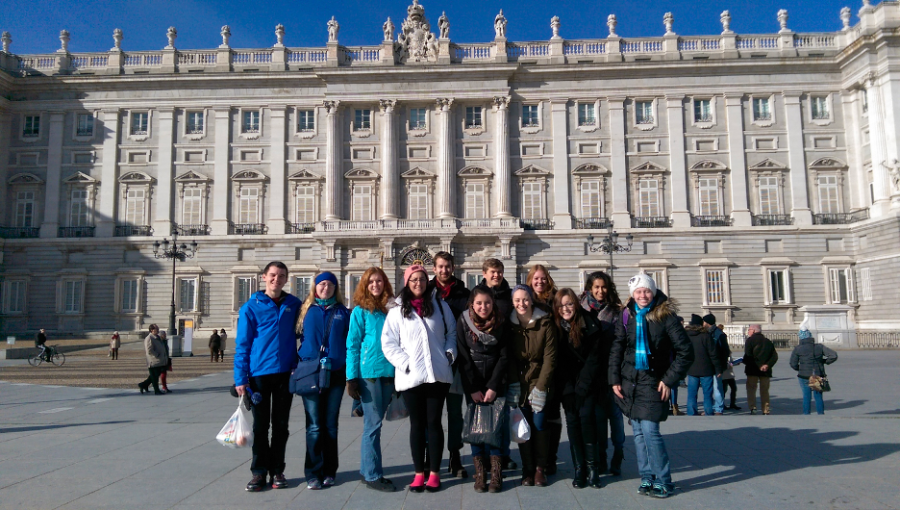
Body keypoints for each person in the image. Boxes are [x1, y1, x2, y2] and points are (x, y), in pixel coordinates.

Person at [610, 274, 693, 499]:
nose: (643, 295)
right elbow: (617, 347)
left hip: (654, 381)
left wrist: (669, 379)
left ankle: (663, 479)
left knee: (650, 431)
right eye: (638, 291)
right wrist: (614, 379)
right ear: (632, 294)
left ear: (653, 291)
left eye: (646, 291)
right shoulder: (627, 315)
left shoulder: (665, 316)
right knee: (637, 432)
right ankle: (647, 477)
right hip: (630, 382)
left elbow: (686, 351)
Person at [382, 264, 457, 493]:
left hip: (437, 375)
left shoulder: (440, 306)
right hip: (411, 377)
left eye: (422, 279)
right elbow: (388, 342)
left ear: (427, 282)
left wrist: (448, 355)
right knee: (416, 425)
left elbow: (451, 334)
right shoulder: (396, 310)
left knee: (434, 424)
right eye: (413, 279)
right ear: (407, 282)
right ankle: (418, 473)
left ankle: (434, 473)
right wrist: (405, 363)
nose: (418, 283)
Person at [234, 261, 302, 492]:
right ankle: (258, 472)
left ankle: (278, 470)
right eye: (273, 275)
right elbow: (242, 344)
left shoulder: (294, 304)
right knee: (261, 427)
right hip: (258, 375)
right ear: (264, 277)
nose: (277, 279)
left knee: (281, 426)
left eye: (281, 276)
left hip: (285, 374)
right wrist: (240, 378)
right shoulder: (250, 307)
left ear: (286, 279)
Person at [553, 288, 612, 489]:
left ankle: (593, 468)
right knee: (572, 424)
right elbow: (558, 362)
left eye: (569, 304)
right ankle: (580, 469)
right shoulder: (556, 327)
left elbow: (594, 359)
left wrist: (581, 388)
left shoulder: (590, 323)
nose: (566, 308)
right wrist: (569, 390)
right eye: (561, 305)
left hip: (588, 385)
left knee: (587, 422)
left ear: (576, 304)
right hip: (568, 386)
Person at [296, 271, 350, 490]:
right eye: (322, 284)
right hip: (311, 371)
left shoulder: (344, 312)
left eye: (330, 285)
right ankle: (312, 472)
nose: (325, 288)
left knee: (330, 425)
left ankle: (329, 471)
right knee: (314, 426)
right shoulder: (304, 311)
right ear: (315, 287)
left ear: (335, 289)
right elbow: (292, 338)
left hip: (336, 372)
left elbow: (351, 340)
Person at [345, 267, 396, 492]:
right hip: (370, 375)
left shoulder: (391, 310)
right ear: (365, 285)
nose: (375, 285)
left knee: (376, 424)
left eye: (379, 281)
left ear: (385, 284)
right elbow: (353, 346)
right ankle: (373, 474)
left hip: (389, 373)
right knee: (372, 425)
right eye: (371, 282)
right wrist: (351, 378)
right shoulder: (360, 311)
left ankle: (368, 471)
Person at [456, 285, 509, 493]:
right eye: (479, 303)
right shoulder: (463, 320)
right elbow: (463, 355)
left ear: (493, 303)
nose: (483, 307)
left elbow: (505, 355)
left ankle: (496, 473)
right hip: (474, 384)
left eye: (487, 302)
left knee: (495, 427)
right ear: (472, 304)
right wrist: (473, 388)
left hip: (495, 383)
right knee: (476, 427)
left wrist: (494, 386)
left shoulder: (501, 320)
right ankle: (480, 472)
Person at [507, 284, 557, 487]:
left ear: (531, 300)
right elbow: (508, 356)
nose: (522, 303)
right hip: (518, 381)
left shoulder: (544, 322)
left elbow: (550, 358)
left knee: (539, 424)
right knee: (523, 426)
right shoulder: (509, 324)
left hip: (539, 380)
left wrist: (541, 387)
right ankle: (527, 469)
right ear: (512, 302)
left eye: (525, 299)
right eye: (517, 300)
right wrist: (513, 383)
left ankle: (539, 468)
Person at [579, 271, 626, 475]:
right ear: (589, 288)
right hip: (592, 373)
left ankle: (619, 451)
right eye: (596, 287)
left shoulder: (617, 312)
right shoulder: (580, 309)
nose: (600, 291)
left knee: (615, 416)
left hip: (613, 370)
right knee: (597, 419)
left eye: (603, 287)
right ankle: (601, 456)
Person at [430, 251, 471, 479]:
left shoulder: (464, 293)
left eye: (447, 266)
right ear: (434, 269)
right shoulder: (425, 292)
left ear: (453, 268)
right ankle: (430, 457)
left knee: (455, 412)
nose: (444, 270)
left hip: (455, 362)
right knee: (432, 414)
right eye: (440, 266)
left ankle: (455, 457)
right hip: (432, 362)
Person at [479, 257, 517, 471]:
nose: (496, 275)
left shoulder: (509, 296)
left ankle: (502, 454)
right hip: (481, 361)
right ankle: (484, 455)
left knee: (502, 412)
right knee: (482, 413)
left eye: (499, 271)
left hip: (504, 359)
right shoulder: (476, 294)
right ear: (484, 273)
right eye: (492, 272)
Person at [526, 264, 561, 475]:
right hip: (533, 369)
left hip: (555, 363)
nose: (540, 282)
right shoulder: (525, 302)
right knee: (535, 414)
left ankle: (551, 457)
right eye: (536, 278)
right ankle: (536, 459)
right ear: (530, 280)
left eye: (543, 278)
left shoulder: (556, 301)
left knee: (553, 413)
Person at [790, 327, 838, 415]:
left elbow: (793, 363)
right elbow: (833, 355)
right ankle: (820, 414)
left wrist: (800, 368)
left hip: (803, 375)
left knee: (806, 396)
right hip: (817, 374)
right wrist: (824, 361)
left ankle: (806, 414)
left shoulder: (798, 348)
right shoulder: (819, 347)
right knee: (818, 396)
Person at [685, 315, 724, 416]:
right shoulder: (705, 336)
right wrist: (718, 369)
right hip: (706, 369)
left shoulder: (686, 336)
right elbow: (713, 354)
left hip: (692, 369)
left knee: (692, 394)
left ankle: (691, 412)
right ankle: (708, 411)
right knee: (707, 394)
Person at [743, 324, 778, 415]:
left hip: (752, 369)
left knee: (751, 389)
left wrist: (758, 365)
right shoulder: (768, 341)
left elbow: (748, 356)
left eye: (749, 329)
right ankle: (766, 409)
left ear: (754, 331)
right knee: (765, 390)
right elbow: (774, 356)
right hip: (765, 371)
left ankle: (753, 407)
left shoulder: (750, 341)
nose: (748, 331)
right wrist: (767, 365)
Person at [703, 314, 730, 415]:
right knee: (709, 388)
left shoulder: (719, 334)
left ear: (707, 322)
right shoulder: (706, 333)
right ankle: (711, 407)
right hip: (707, 365)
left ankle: (718, 408)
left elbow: (725, 351)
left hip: (716, 365)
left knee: (717, 387)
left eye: (704, 321)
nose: (703, 323)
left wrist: (721, 367)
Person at [139, 324, 168, 395]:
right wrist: (156, 355)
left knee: (154, 376)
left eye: (158, 329)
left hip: (159, 360)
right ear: (151, 330)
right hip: (153, 360)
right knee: (154, 377)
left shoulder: (157, 337)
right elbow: (149, 350)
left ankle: (143, 385)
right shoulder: (149, 338)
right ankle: (156, 390)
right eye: (156, 329)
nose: (158, 330)